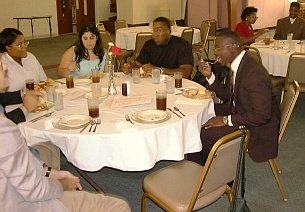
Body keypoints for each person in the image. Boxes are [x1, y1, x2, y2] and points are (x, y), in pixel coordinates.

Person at [0, 61, 131, 212]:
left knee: (47, 143)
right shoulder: (5, 129)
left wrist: (49, 171)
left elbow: (15, 162)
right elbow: (35, 189)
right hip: (20, 203)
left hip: (20, 184)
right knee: (120, 206)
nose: (5, 66)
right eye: (0, 64)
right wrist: (62, 184)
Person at [187, 31, 280, 166]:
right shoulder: (238, 64)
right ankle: (198, 169)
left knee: (204, 133)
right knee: (197, 114)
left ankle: (216, 178)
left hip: (256, 127)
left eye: (218, 48)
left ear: (233, 47)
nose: (215, 53)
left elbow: (262, 115)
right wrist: (209, 76)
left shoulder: (254, 74)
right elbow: (227, 95)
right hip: (240, 110)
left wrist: (227, 120)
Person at [122, 17, 194, 79]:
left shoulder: (182, 45)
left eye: (159, 31)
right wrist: (129, 67)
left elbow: (186, 73)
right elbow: (137, 64)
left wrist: (159, 70)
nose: (155, 35)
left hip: (177, 84)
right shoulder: (149, 45)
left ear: (169, 31)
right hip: (155, 82)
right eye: (154, 31)